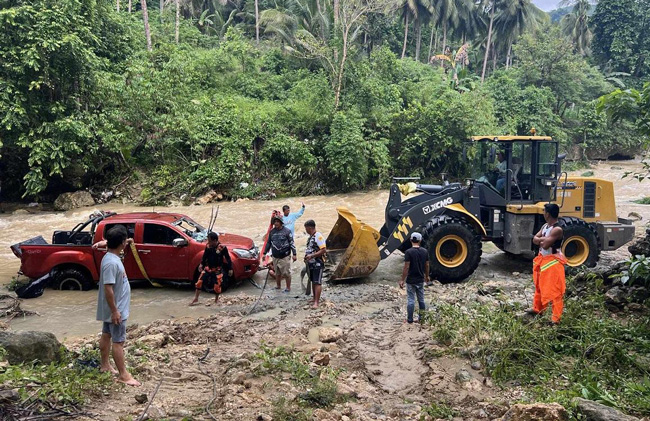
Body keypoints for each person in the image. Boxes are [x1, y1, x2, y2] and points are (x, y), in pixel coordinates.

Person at [96, 225, 140, 386]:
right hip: (116, 309)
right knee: (118, 341)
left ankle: (105, 365)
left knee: (106, 334)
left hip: (114, 307)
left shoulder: (110, 257)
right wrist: (115, 311)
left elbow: (122, 241)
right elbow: (108, 288)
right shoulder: (111, 263)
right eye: (125, 241)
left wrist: (107, 243)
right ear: (121, 243)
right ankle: (124, 375)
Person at [529, 203, 567, 324]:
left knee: (555, 291)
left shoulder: (557, 229)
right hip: (543, 261)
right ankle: (538, 309)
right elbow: (535, 239)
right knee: (539, 286)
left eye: (544, 211)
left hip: (553, 263)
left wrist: (540, 240)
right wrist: (541, 240)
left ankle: (556, 319)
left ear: (548, 214)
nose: (543, 213)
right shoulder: (545, 226)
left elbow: (545, 244)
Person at [190, 232, 233, 306]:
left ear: (215, 240)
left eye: (210, 241)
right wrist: (201, 264)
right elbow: (204, 256)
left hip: (217, 269)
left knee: (217, 286)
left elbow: (228, 258)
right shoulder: (208, 246)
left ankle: (216, 300)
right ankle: (196, 298)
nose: (208, 242)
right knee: (199, 283)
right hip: (208, 268)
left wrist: (230, 268)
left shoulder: (222, 248)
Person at [399, 232, 430, 324]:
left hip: (411, 280)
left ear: (411, 240)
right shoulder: (425, 251)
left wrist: (402, 280)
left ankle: (410, 320)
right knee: (421, 299)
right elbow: (427, 265)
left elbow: (406, 267)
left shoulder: (408, 252)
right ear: (420, 240)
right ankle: (422, 319)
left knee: (411, 300)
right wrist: (427, 276)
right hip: (420, 279)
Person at [263, 217, 297, 292]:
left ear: (281, 223)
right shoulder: (272, 232)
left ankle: (288, 288)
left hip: (285, 256)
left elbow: (291, 243)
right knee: (277, 272)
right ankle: (278, 286)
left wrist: (294, 254)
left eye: (277, 222)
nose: (276, 223)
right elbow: (268, 243)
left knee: (286, 273)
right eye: (275, 222)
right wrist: (264, 253)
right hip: (275, 256)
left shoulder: (287, 231)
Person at [303, 220, 327, 308]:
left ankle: (316, 302)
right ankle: (314, 299)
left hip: (318, 263)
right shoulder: (311, 237)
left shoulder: (318, 236)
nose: (305, 230)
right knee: (313, 281)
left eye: (306, 228)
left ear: (309, 228)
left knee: (317, 282)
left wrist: (312, 256)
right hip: (311, 263)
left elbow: (323, 250)